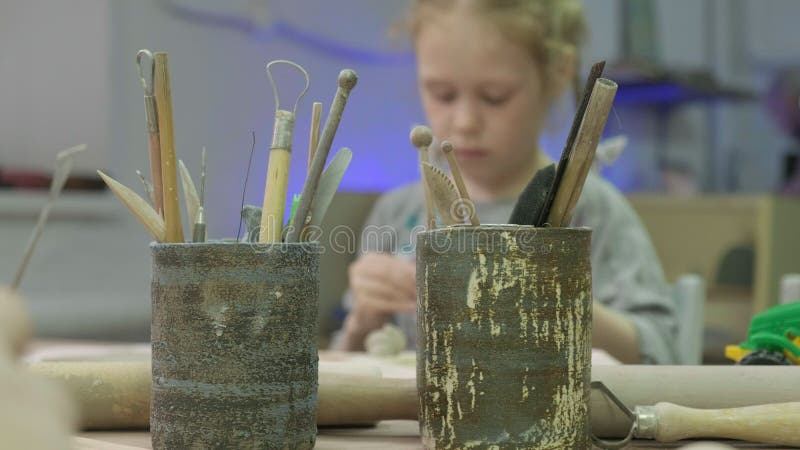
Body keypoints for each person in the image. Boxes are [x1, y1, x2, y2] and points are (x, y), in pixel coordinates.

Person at [334, 0, 678, 364]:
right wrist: (363, 320)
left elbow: (662, 353)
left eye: (495, 97)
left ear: (557, 74)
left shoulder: (592, 210)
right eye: (442, 94)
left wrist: (556, 302)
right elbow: (347, 376)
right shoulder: (398, 212)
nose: (465, 122)